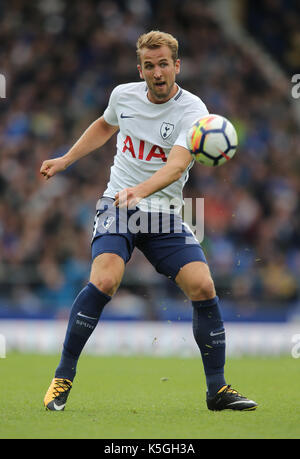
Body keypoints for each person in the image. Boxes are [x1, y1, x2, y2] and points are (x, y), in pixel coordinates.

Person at [41, 31, 257, 412]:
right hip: (118, 205)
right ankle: (62, 377)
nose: (157, 73)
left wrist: (141, 191)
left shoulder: (194, 112)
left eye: (164, 64)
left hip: (162, 214)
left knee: (203, 286)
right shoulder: (123, 96)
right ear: (140, 69)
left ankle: (217, 391)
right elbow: (104, 125)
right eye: (149, 65)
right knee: (105, 279)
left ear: (177, 66)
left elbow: (176, 168)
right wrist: (65, 159)